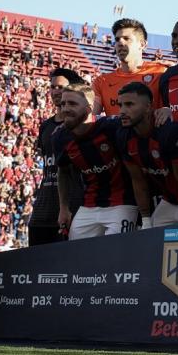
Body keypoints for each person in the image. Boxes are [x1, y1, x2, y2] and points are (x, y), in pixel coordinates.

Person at [116, 82, 178, 227]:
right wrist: (146, 220)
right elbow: (138, 181)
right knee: (150, 243)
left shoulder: (170, 132)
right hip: (169, 201)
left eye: (129, 105)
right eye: (120, 105)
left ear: (148, 107)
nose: (122, 111)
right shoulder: (123, 135)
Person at [53, 84, 138, 239]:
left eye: (72, 104)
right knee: (76, 256)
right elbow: (63, 172)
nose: (65, 108)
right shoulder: (60, 137)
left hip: (123, 203)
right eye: (63, 104)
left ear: (89, 108)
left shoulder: (112, 127)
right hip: (89, 205)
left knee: (116, 254)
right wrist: (64, 208)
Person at [28, 69, 84, 245]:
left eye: (61, 87)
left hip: (74, 206)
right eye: (52, 87)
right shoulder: (45, 126)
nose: (55, 91)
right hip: (44, 208)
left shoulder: (83, 126)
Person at [91, 18, 167, 115]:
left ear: (142, 44)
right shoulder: (101, 82)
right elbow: (91, 121)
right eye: (117, 39)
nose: (120, 43)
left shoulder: (161, 72)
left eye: (127, 38)